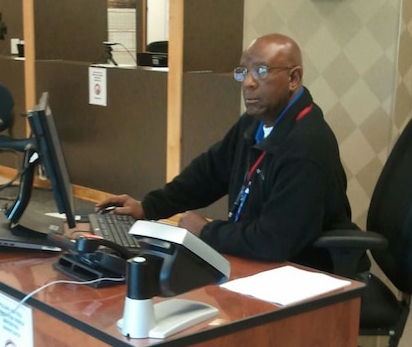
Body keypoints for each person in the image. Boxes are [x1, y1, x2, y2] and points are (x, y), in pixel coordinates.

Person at [97, 33, 357, 270]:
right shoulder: (255, 122)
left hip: (306, 274)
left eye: (262, 71)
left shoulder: (306, 145)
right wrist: (148, 207)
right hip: (259, 260)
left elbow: (275, 241)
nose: (248, 83)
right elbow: (208, 173)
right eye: (243, 72)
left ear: (293, 78)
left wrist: (206, 231)